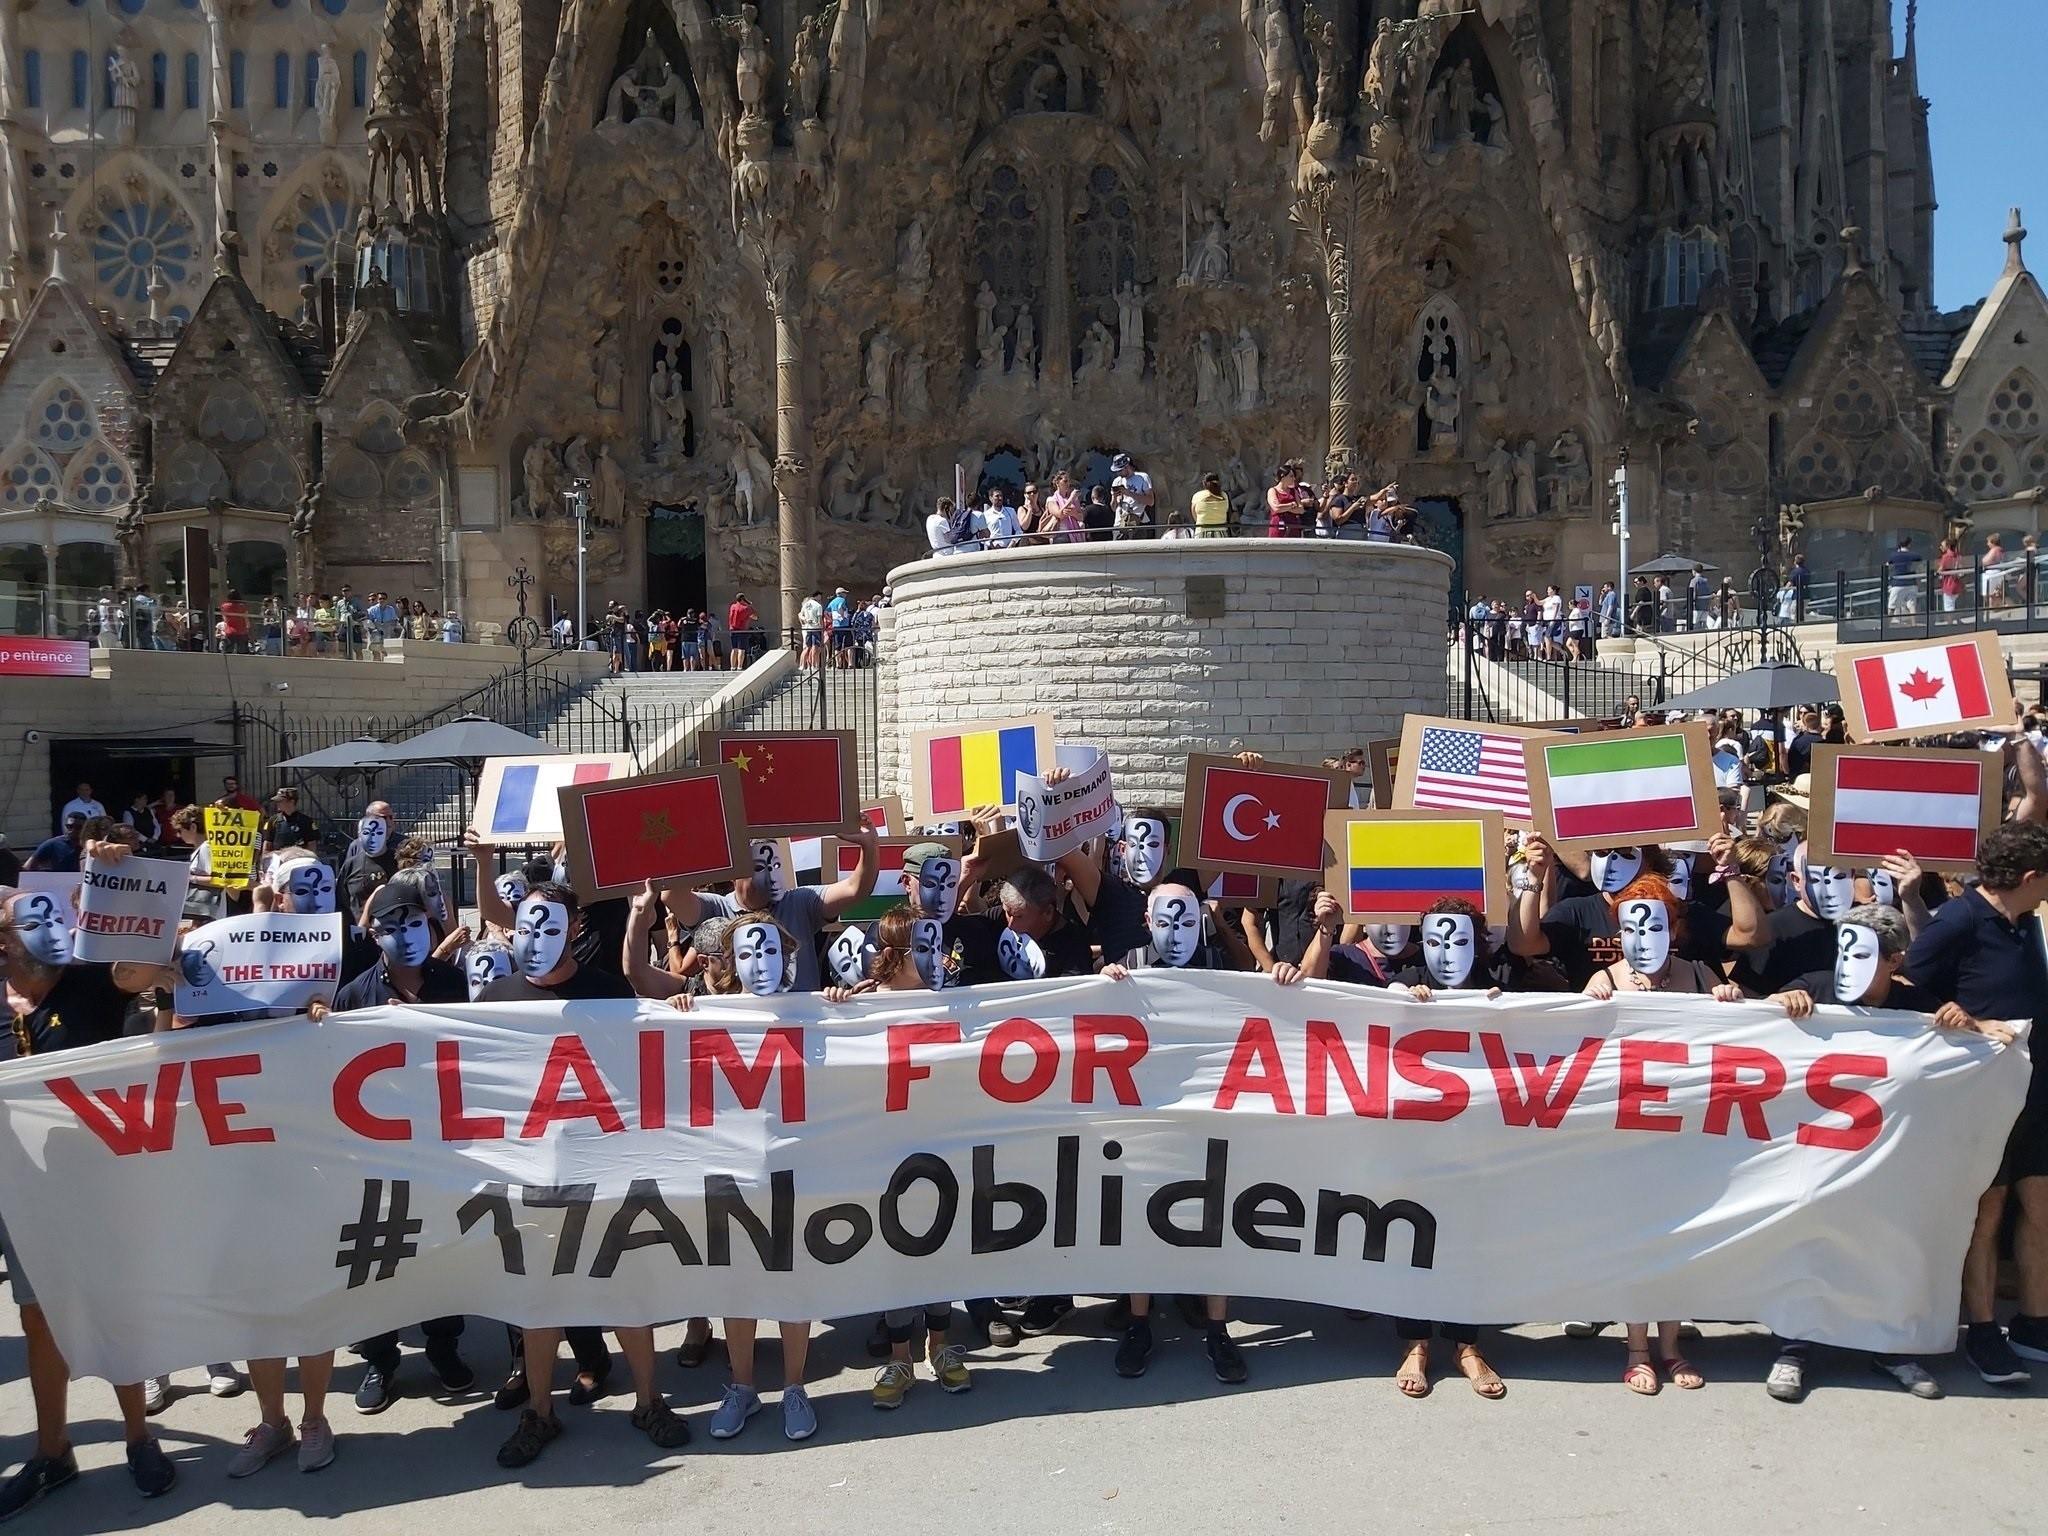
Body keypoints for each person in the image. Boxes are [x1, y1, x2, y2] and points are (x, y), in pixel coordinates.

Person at [478, 883, 690, 1466]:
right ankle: (540, 1414)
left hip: (607, 1169)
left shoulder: (605, 991)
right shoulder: (494, 998)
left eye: (550, 927)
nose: (535, 938)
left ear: (573, 928)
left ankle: (649, 1402)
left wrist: (676, 1008)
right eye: (526, 925)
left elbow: (658, 1035)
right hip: (530, 1177)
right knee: (540, 1302)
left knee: (625, 1291)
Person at [1764, 902, 2010, 1402]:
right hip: (1820, 1155)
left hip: (1886, 1160)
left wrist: (1972, 1025)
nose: (1845, 963)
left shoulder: (1917, 1005)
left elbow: (1981, 1042)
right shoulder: (1812, 987)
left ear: (1894, 960)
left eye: (1863, 953)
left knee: (1886, 1247)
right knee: (1813, 1243)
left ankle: (1891, 1349)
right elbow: (1751, 1028)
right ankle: (1795, 1347)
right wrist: (1778, 1003)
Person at [0, 887, 178, 1515]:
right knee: (38, 1318)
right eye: (29, 918)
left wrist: (116, 877)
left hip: (95, 1183)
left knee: (111, 1308)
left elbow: (142, 968)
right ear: (3, 941)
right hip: (18, 1194)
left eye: (56, 912)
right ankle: (54, 1453)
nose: (49, 924)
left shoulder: (89, 983)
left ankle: (139, 1437)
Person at [659, 915, 822, 1442]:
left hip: (793, 1171)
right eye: (748, 955)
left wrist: (848, 1005)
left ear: (788, 956)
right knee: (739, 1288)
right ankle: (744, 1387)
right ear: (731, 964)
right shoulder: (707, 1013)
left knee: (793, 1288)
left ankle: (796, 1387)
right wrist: (679, 1011)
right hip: (729, 1172)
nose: (760, 964)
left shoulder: (814, 1011)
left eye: (770, 952)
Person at [314, 884, 476, 1412]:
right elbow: (332, 1065)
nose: (406, 938)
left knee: (441, 1252)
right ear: (373, 935)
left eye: (415, 925)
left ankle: (443, 1346)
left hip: (438, 1145)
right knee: (379, 1257)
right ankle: (381, 1362)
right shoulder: (354, 993)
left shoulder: (453, 981)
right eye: (391, 928)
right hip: (375, 1151)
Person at [1904, 819, 2048, 1387]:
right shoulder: (1960, 919)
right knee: (1986, 1214)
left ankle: (2036, 1325)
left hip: (2037, 1092)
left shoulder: (2027, 924)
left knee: (2039, 1209)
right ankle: (1984, 1331)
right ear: (2030, 876)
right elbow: (1911, 985)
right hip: (1983, 1096)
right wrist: (1967, 1020)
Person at [818, 908, 978, 1410]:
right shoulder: (863, 1007)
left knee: (939, 1246)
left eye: (937, 947)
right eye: (923, 950)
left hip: (940, 1145)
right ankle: (900, 1355)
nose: (936, 958)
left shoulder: (948, 1003)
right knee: (895, 1251)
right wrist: (833, 1006)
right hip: (884, 1153)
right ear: (896, 956)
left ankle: (940, 1345)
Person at [260, 786, 317, 864]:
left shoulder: (306, 821)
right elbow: (266, 850)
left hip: (300, 863)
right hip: (278, 864)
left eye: (281, 801)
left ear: (292, 801)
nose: (277, 804)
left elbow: (312, 849)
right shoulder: (273, 821)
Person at [1110, 451, 1153, 537]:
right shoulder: (1117, 481)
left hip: (1137, 523)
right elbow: (1113, 508)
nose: (1118, 473)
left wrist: (1129, 493)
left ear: (1126, 467)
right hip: (1120, 525)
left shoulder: (1142, 478)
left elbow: (1151, 501)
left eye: (1119, 470)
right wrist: (1114, 497)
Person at [1266, 460, 1304, 538]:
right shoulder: (1273, 491)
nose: (1293, 479)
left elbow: (1301, 509)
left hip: (1293, 525)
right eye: (1291, 476)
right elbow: (1276, 508)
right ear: (1283, 476)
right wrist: (1291, 505)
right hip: (1278, 525)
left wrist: (1284, 508)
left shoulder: (1294, 491)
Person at [1887, 536, 1921, 618]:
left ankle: (1886, 627)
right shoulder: (1915, 556)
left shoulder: (1894, 555)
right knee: (1912, 606)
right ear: (1909, 544)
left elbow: (1888, 566)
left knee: (1891, 606)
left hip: (1898, 583)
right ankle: (1914, 625)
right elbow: (1919, 565)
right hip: (1912, 583)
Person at [1191, 471, 1232, 538]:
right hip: (1221, 532)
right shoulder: (1224, 495)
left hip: (1202, 532)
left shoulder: (1197, 495)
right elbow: (1226, 510)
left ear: (1204, 483)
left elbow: (1194, 513)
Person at [726, 591, 756, 669]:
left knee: (734, 649)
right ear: (743, 599)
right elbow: (755, 617)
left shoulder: (732, 606)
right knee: (741, 650)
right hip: (742, 630)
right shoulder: (746, 608)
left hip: (732, 630)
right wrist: (749, 605)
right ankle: (739, 666)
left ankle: (732, 667)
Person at [826, 586, 854, 667]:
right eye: (845, 593)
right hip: (845, 625)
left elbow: (826, 611)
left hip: (836, 625)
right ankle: (850, 663)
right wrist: (844, 616)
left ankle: (838, 664)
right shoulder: (842, 600)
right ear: (841, 594)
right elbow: (840, 608)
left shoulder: (832, 602)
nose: (846, 594)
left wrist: (831, 620)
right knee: (849, 645)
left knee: (837, 646)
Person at [799, 590, 824, 667]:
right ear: (817, 596)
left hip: (807, 628)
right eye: (820, 596)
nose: (821, 598)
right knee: (815, 647)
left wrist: (806, 620)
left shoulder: (805, 604)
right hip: (816, 628)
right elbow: (819, 619)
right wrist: (821, 627)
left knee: (807, 647)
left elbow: (800, 615)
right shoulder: (818, 606)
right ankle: (814, 665)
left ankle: (802, 665)